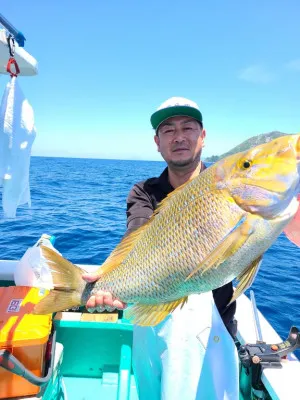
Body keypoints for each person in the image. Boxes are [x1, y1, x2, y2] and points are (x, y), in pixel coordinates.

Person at [82, 96, 236, 337]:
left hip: (216, 329)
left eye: (187, 127)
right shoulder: (144, 191)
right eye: (168, 130)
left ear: (203, 136)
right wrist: (107, 278)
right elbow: (136, 233)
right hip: (155, 328)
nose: (179, 137)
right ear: (157, 141)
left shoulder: (228, 188)